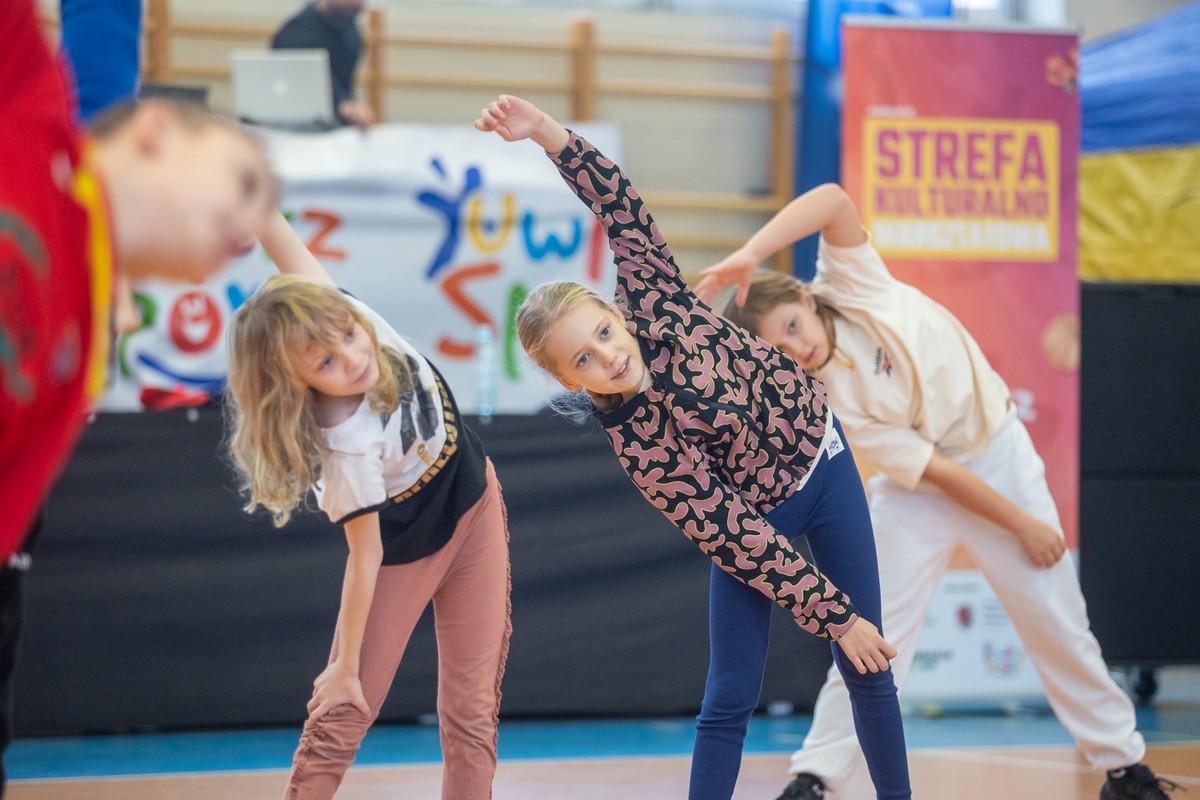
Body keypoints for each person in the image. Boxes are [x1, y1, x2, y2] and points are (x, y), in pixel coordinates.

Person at [475, 95, 912, 800]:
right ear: (567, 381)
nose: (607, 358)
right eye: (582, 361)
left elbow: (620, 207)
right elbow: (735, 533)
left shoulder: (658, 303)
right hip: (757, 523)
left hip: (826, 466)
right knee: (730, 694)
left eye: (605, 335)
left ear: (620, 316)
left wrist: (547, 135)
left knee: (870, 665)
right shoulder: (642, 446)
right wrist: (835, 616)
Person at [696, 183, 1179, 800]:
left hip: (998, 453)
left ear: (804, 298)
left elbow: (832, 200)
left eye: (792, 325)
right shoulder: (822, 398)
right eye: (779, 348)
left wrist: (750, 252)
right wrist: (1018, 523)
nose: (797, 346)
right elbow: (933, 472)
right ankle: (815, 778)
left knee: (1059, 623)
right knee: (867, 631)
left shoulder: (853, 284)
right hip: (920, 491)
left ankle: (1124, 769)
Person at [0, 0, 277, 790]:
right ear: (156, 132)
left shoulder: (81, 358)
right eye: (243, 185)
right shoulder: (29, 110)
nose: (245, 227)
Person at [225, 212, 512, 800]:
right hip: (401, 553)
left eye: (348, 336)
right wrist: (345, 665)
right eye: (325, 363)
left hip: (475, 504)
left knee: (474, 710)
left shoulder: (342, 318)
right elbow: (365, 558)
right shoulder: (346, 445)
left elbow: (279, 237)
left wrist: (245, 192)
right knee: (344, 712)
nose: (352, 357)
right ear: (298, 381)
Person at [271, 0, 375, 130]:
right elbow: (304, 89)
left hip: (334, 121)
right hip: (299, 122)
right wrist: (343, 105)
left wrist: (349, 106)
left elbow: (344, 84)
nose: (351, 7)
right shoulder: (295, 33)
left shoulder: (348, 24)